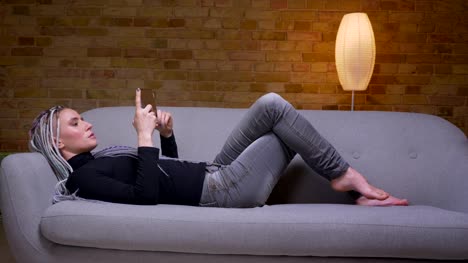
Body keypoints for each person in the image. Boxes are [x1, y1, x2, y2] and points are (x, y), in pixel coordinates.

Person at [29, 89, 409, 207]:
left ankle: (342, 175)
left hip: (212, 172)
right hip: (223, 190)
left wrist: (164, 135)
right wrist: (142, 138)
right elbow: (146, 199)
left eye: (83, 117)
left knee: (271, 105)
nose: (88, 123)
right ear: (58, 142)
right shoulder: (85, 178)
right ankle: (344, 176)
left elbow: (166, 177)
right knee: (280, 129)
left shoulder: (99, 159)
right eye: (76, 122)